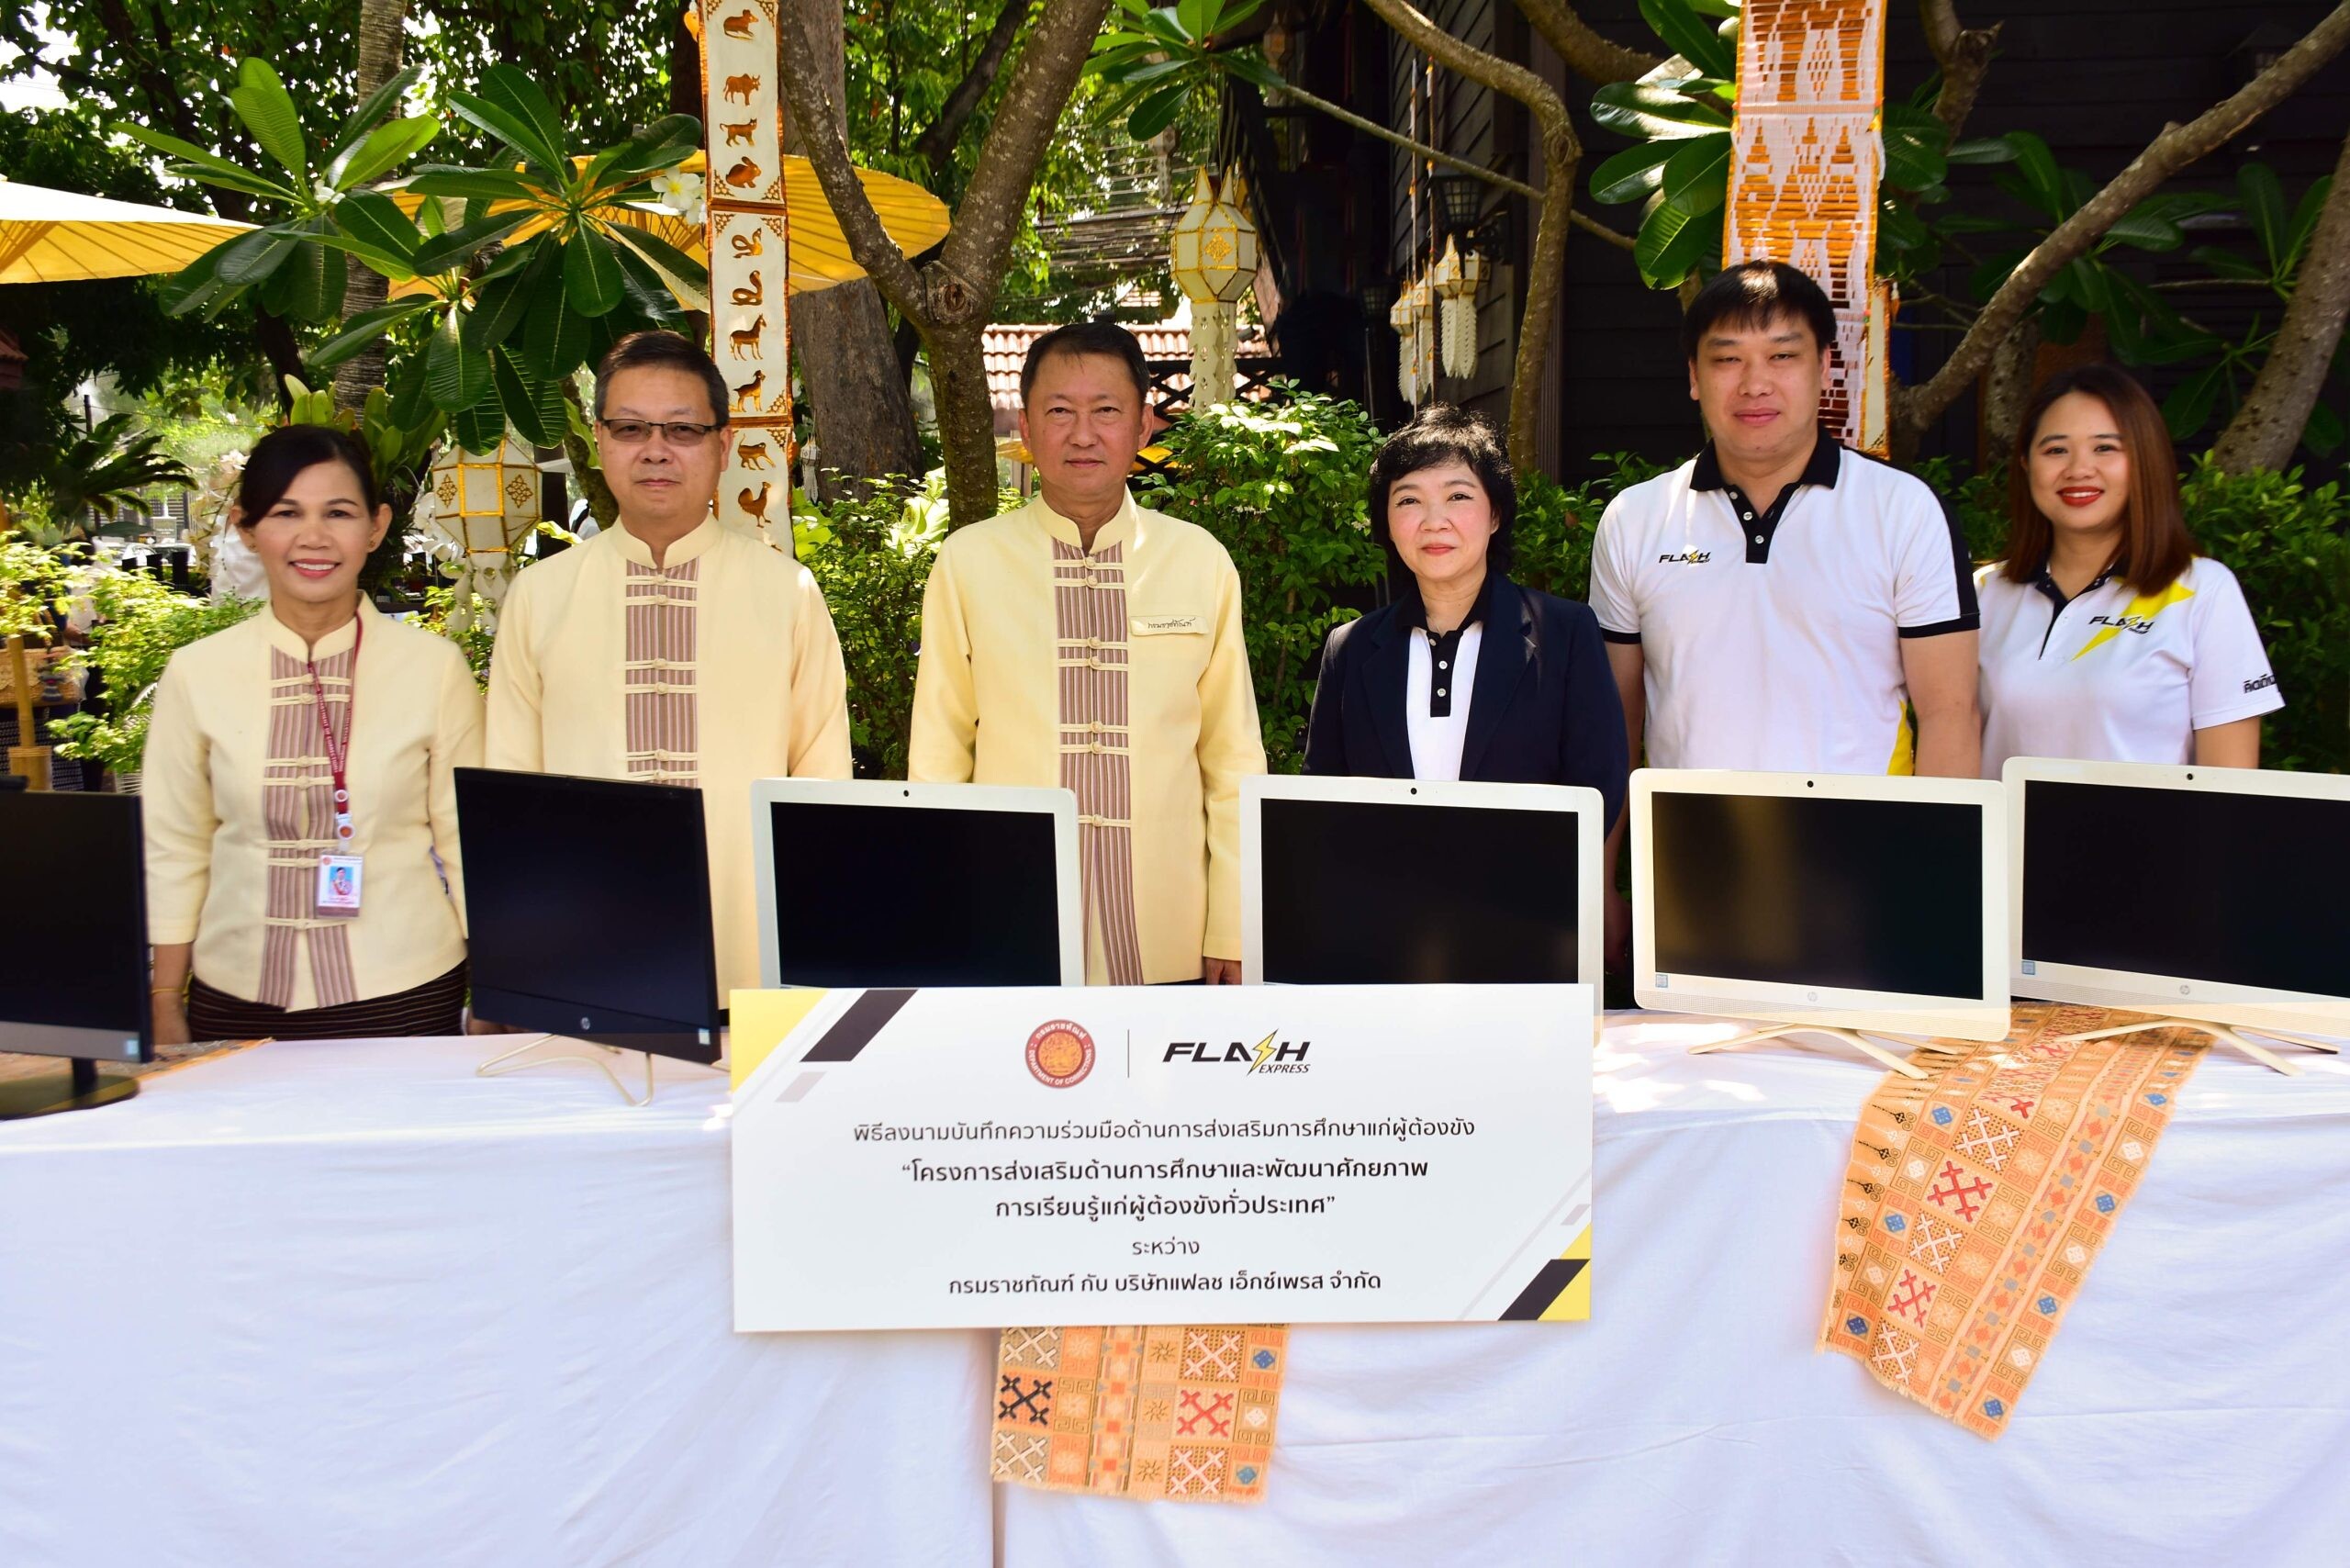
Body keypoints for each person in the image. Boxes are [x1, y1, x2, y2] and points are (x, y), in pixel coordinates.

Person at [1589, 260, 1981, 958]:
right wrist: (1604, 880)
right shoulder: (1635, 520)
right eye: (1728, 359)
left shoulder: (1901, 511)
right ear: (1693, 376)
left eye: (1782, 356)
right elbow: (1616, 720)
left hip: (1867, 875)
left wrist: (1937, 879)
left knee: (1862, 1068)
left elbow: (1950, 710)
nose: (1754, 382)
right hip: (1689, 875)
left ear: (1826, 367)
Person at [485, 330, 851, 996]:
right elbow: (512, 801)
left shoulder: (786, 594)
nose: (655, 450)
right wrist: (516, 970)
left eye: (682, 430)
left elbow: (822, 796)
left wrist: (813, 963)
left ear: (721, 445)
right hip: (581, 964)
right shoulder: (540, 598)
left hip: (752, 964)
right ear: (599, 440)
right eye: (631, 428)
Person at [910, 321, 1265, 984]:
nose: (1082, 434)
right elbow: (938, 758)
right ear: (1026, 424)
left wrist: (1234, 923)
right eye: (1059, 411)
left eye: (1106, 411)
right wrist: (946, 913)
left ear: (1144, 426)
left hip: (1173, 927)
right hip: (1011, 922)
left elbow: (1232, 759)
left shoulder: (1200, 562)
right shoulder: (969, 563)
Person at [143, 425, 481, 1042]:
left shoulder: (433, 669)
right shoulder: (196, 673)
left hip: (405, 990)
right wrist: (166, 994)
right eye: (286, 513)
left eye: (339, 513)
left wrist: (494, 982)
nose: (314, 537)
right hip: (238, 992)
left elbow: (468, 843)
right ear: (247, 529)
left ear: (376, 527)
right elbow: (174, 845)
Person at [1302, 405, 1628, 826]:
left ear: (1495, 514)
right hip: (1385, 890)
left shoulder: (1566, 634)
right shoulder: (1350, 648)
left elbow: (1598, 785)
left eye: (1458, 496)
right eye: (1409, 500)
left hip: (1521, 889)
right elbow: (1322, 796)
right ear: (1387, 521)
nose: (1434, 521)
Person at [1976, 364, 2281, 774]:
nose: (2079, 469)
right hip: (2003, 839)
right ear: (2027, 465)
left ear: (2144, 461)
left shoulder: (2203, 590)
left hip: (2151, 839)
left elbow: (2231, 785)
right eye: (2055, 450)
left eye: (2105, 448)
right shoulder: (1986, 593)